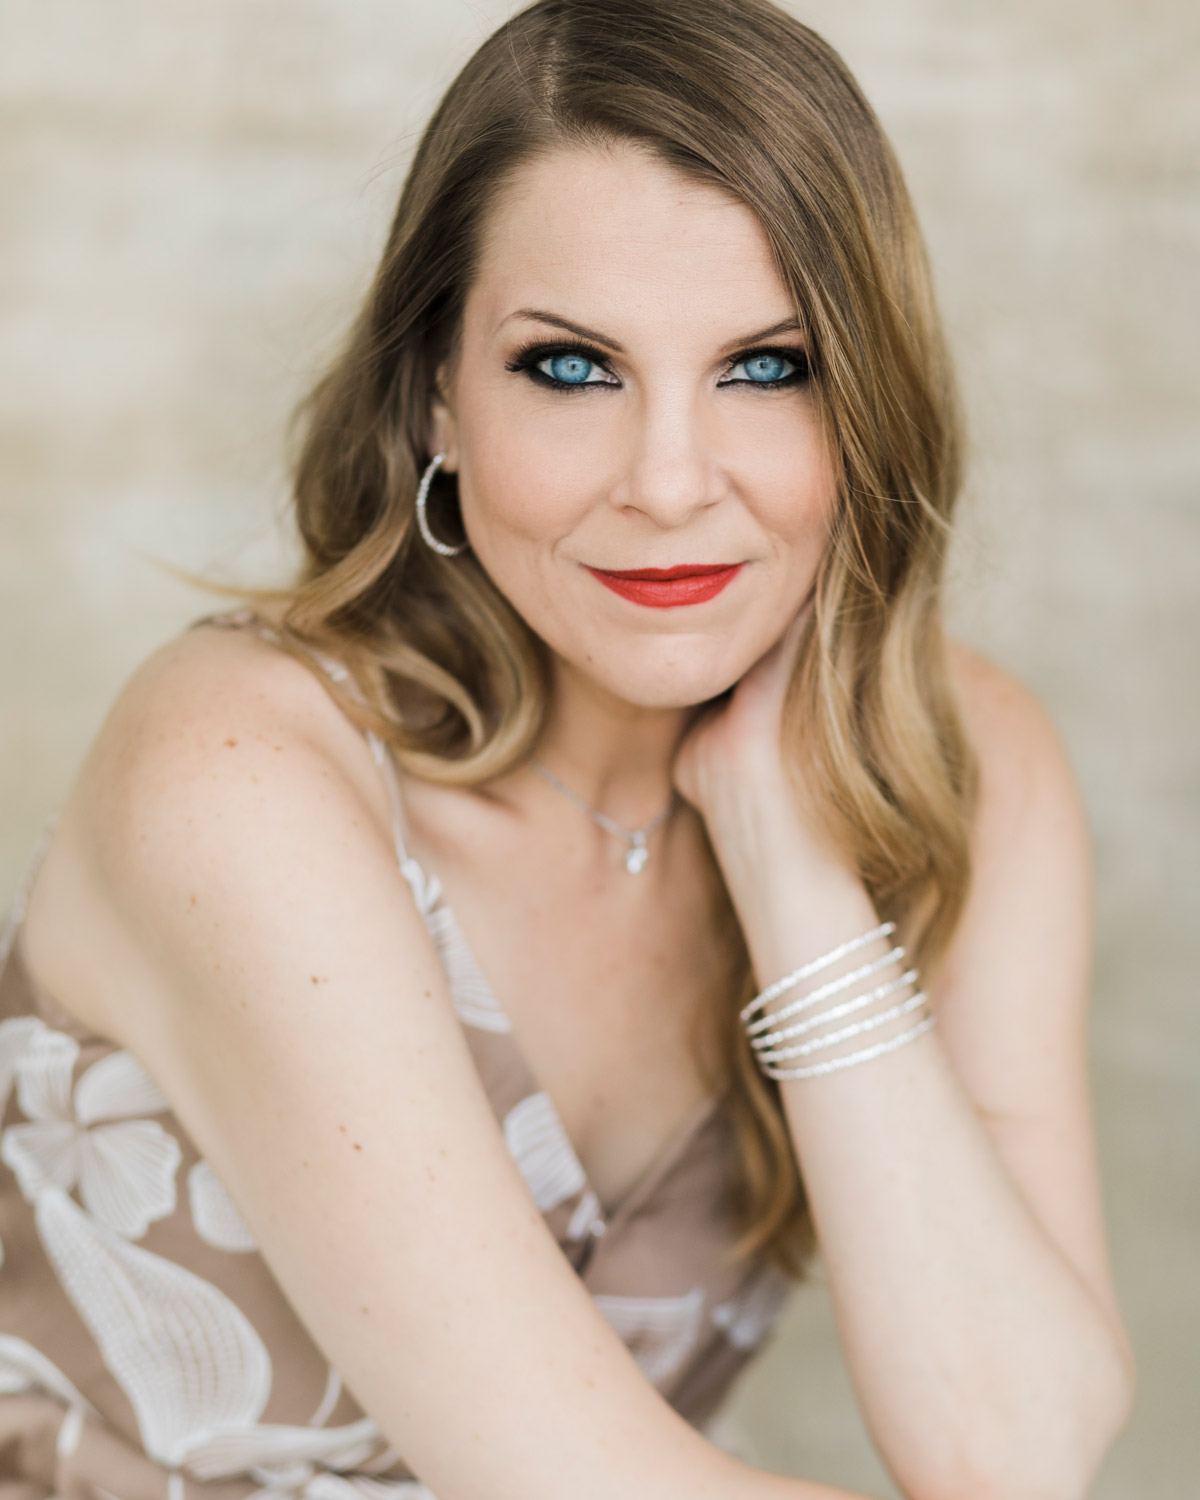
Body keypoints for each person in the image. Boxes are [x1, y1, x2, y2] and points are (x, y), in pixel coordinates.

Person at [0, 1, 1135, 1497]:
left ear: (872, 408)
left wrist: (789, 860)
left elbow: (1019, 1450)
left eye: (770, 366)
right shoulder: (237, 771)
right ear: (437, 401)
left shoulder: (968, 770)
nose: (669, 482)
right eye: (573, 370)